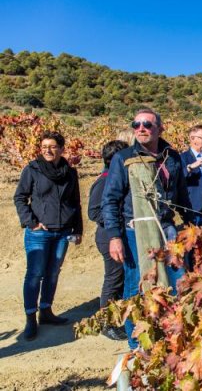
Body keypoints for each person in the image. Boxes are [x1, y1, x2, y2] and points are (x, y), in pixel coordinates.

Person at [102, 108, 192, 349]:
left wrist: (193, 225)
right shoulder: (124, 158)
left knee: (177, 282)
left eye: (147, 124)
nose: (141, 128)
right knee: (136, 287)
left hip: (167, 229)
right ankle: (137, 344)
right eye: (137, 124)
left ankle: (173, 338)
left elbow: (181, 196)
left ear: (160, 129)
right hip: (134, 232)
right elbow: (110, 200)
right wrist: (114, 236)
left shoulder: (171, 157)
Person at [14, 131, 83, 341]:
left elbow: (75, 203)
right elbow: (19, 197)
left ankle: (46, 311)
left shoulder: (70, 173)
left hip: (63, 232)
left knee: (53, 272)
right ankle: (30, 318)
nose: (48, 150)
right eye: (44, 147)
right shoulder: (32, 170)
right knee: (35, 274)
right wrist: (31, 222)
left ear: (62, 149)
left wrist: (78, 229)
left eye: (52, 146)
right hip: (40, 233)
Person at [87, 140, 129, 341]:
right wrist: (117, 220)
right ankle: (106, 324)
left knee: (120, 277)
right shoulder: (104, 181)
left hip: (118, 234)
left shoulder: (114, 179)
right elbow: (94, 212)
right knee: (113, 278)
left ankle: (116, 317)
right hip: (108, 236)